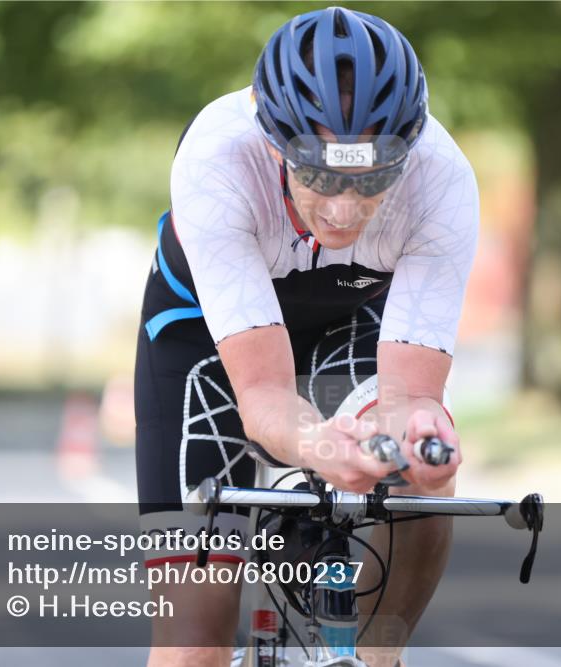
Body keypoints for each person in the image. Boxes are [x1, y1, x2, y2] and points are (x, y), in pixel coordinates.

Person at [134, 7, 479, 666]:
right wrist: (320, 447)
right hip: (202, 338)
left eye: (373, 177)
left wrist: (417, 443)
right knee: (193, 643)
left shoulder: (443, 179)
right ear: (274, 145)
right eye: (318, 175)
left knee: (423, 491)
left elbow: (409, 398)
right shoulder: (216, 155)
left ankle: (376, 657)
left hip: (350, 322)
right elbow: (263, 396)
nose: (344, 209)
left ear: (408, 151)